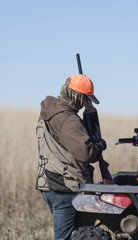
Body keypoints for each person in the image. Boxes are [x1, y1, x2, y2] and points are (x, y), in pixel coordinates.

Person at [36, 74, 109, 240]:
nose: (84, 103)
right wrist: (99, 145)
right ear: (76, 96)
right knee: (66, 237)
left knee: (77, 235)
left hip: (49, 182)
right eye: (84, 98)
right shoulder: (68, 119)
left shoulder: (50, 111)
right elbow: (86, 153)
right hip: (65, 187)